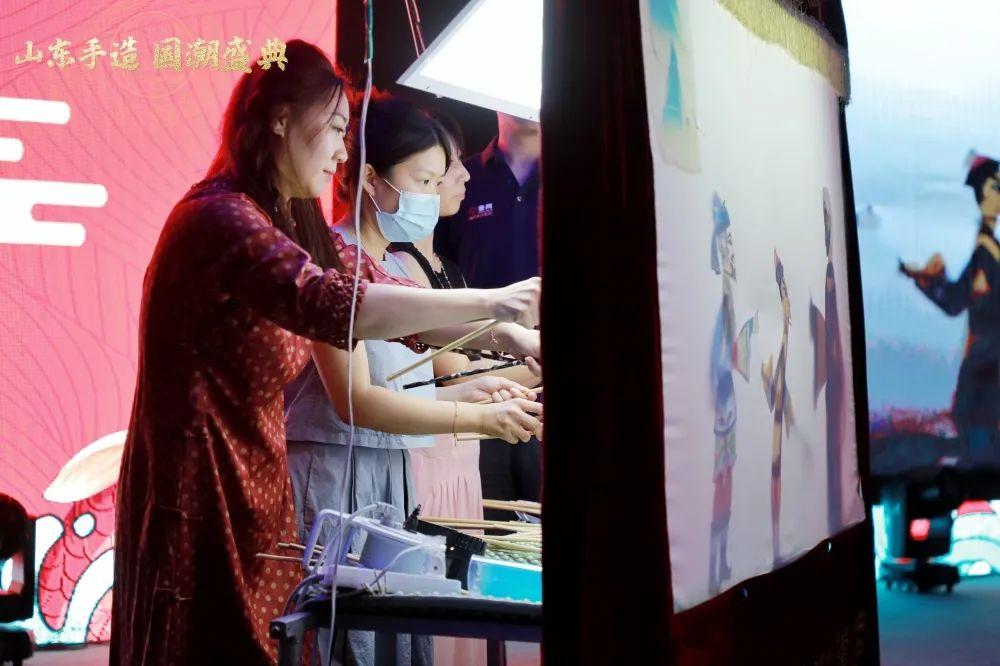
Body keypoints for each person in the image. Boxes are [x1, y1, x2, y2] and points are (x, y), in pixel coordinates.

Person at [110, 42, 541, 666]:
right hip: (204, 483)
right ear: (280, 119)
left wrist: (503, 333)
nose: (344, 151)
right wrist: (495, 305)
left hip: (259, 483)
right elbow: (340, 306)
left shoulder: (284, 219)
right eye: (337, 129)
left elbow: (382, 298)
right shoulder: (222, 219)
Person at [284, 96, 542, 665]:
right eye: (423, 181)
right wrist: (477, 411)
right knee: (345, 643)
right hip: (336, 473)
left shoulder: (393, 266)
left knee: (397, 641)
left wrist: (483, 378)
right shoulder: (331, 258)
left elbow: (413, 368)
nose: (432, 193)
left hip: (392, 473)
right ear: (369, 178)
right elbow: (357, 401)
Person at [434, 112, 543, 519]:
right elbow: (437, 278)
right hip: (473, 387)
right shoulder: (459, 177)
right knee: (484, 524)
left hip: (550, 386)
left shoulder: (583, 174)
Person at [901, 154, 1000, 466]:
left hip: (987, 372)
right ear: (983, 195)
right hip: (985, 374)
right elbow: (957, 301)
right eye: (996, 187)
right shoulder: (985, 252)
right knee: (981, 458)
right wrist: (928, 280)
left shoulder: (988, 249)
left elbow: (957, 301)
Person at [707, 193, 756, 595]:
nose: (731, 251)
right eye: (726, 243)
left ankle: (721, 559)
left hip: (730, 404)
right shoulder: (719, 301)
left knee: (727, 483)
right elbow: (718, 360)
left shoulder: (730, 298)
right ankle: (715, 560)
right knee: (720, 484)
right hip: (721, 405)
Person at [761, 251, 794, 568]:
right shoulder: (775, 338)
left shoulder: (785, 334)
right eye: (784, 293)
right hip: (771, 431)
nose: (788, 301)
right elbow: (770, 380)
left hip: (780, 427)